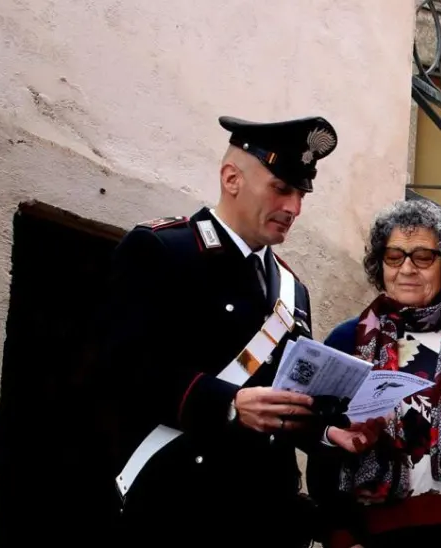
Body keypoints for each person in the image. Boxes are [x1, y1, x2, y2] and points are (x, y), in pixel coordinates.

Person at [99, 115, 339, 548]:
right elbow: (123, 370)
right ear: (232, 178)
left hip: (267, 516)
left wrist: (327, 432)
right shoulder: (162, 250)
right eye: (281, 188)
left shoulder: (293, 290)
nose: (294, 208)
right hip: (179, 506)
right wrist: (228, 402)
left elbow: (283, 399)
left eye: (301, 194)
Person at [307, 199, 441, 547]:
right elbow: (318, 440)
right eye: (394, 256)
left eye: (423, 256)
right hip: (367, 535)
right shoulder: (346, 341)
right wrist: (338, 535)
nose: (407, 268)